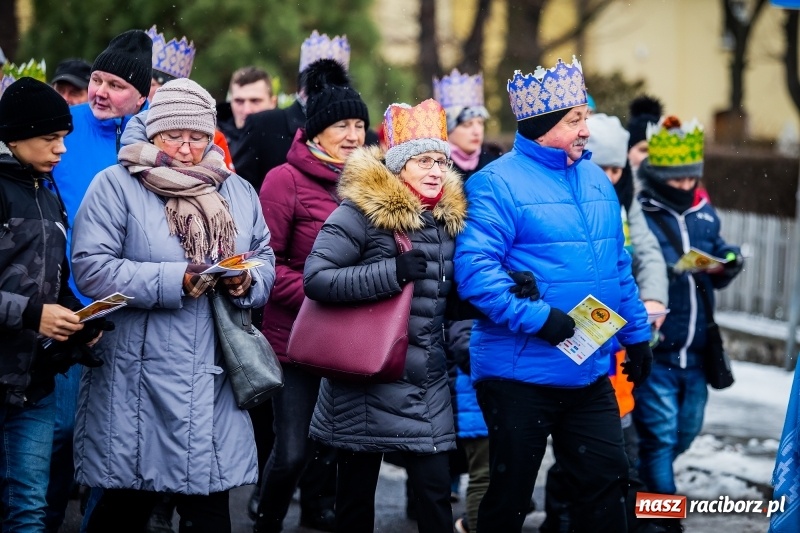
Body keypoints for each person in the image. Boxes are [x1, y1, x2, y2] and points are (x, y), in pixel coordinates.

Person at [453, 57, 653, 533]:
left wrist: (638, 336)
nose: (586, 129)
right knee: (510, 496)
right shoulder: (495, 183)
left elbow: (618, 267)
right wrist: (540, 319)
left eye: (585, 117)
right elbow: (475, 273)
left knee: (607, 483)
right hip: (517, 374)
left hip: (588, 370)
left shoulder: (596, 180)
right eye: (574, 119)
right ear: (543, 128)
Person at [69, 77, 275, 533]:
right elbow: (91, 268)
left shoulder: (236, 190)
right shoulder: (116, 185)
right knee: (125, 506)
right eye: (173, 135)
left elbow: (263, 253)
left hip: (213, 378)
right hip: (137, 379)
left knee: (209, 512)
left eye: (197, 136)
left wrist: (247, 279)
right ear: (153, 131)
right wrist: (174, 280)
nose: (185, 148)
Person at [300, 98, 466, 533]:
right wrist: (391, 273)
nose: (436, 170)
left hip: (425, 380)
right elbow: (316, 279)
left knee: (435, 494)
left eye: (441, 161)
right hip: (365, 378)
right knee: (356, 502)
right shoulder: (358, 212)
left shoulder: (445, 220)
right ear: (398, 166)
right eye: (424, 160)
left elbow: (449, 298)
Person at [540, 112, 669, 533]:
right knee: (598, 452)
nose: (611, 177)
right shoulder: (568, 195)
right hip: (581, 344)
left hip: (620, 343)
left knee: (629, 446)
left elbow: (635, 262)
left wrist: (648, 308)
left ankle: (653, 518)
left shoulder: (622, 202)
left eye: (618, 170)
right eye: (605, 168)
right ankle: (565, 519)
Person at [251, 79, 370, 533]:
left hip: (350, 341)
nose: (354, 136)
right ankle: (266, 519)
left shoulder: (371, 182)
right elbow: (264, 264)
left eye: (359, 125)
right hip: (294, 341)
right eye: (342, 125)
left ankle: (316, 511)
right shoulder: (284, 180)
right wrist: (326, 291)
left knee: (333, 447)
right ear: (316, 131)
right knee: (292, 451)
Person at [47, 29, 153, 532]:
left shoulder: (157, 140)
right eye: (97, 79)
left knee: (119, 438)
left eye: (116, 84)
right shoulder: (63, 129)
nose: (100, 91)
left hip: (130, 310)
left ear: (142, 95)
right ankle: (40, 521)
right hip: (67, 306)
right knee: (61, 431)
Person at [0, 77, 100, 531]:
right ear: (14, 136)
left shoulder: (47, 191)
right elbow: (31, 304)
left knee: (29, 510)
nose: (61, 149)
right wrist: (33, 315)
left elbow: (52, 278)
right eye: (50, 138)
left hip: (33, 384)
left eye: (63, 137)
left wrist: (79, 318)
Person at [633, 115, 743, 533]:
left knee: (686, 433)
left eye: (690, 178)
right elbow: (639, 264)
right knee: (660, 438)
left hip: (698, 350)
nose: (683, 186)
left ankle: (642, 495)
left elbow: (719, 252)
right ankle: (664, 520)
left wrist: (728, 261)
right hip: (659, 348)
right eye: (675, 179)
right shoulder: (642, 212)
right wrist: (668, 270)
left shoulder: (704, 211)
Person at [431, 68, 503, 533]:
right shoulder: (438, 171)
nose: (476, 130)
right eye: (467, 121)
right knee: (449, 405)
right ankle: (444, 488)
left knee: (475, 411)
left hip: (480, 298)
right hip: (448, 296)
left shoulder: (494, 166)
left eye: (480, 121)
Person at [234, 30, 377, 191]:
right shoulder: (264, 125)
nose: (352, 136)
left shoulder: (367, 139)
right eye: (318, 83)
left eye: (334, 83)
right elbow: (240, 187)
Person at [145, 25, 234, 174]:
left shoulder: (213, 138)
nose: (185, 149)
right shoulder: (128, 127)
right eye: (173, 136)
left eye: (152, 85)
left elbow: (226, 180)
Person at [217, 66, 277, 157]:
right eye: (239, 101)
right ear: (230, 103)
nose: (247, 110)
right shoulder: (211, 142)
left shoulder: (289, 142)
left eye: (255, 101)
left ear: (273, 103)